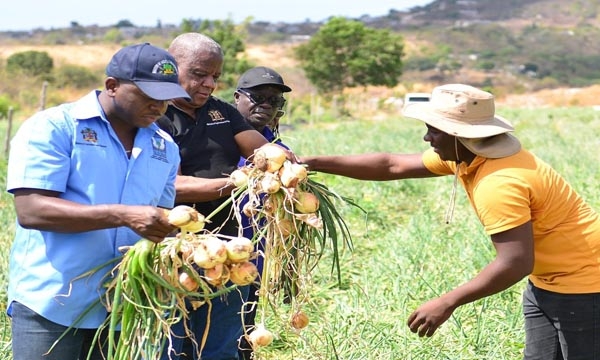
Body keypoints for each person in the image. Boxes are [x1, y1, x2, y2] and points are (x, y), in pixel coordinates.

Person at [300, 83, 600, 359]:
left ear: (461, 135)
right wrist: (313, 163)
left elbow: (515, 262)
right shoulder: (469, 154)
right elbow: (392, 165)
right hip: (546, 281)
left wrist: (447, 302)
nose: (427, 137)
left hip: (584, 286)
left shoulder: (500, 182)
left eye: (435, 130)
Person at [6, 42, 188, 360]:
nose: (160, 106)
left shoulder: (165, 147)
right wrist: (121, 215)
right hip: (52, 303)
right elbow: (32, 210)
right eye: (149, 95)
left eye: (166, 97)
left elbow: (160, 215)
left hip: (126, 307)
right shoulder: (54, 127)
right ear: (112, 86)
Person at [157, 33, 277, 360]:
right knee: (170, 346)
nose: (209, 83)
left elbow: (259, 147)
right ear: (171, 68)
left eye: (216, 76)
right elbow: (168, 185)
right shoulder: (155, 115)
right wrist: (233, 184)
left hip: (228, 249)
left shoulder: (222, 112)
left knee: (220, 346)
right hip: (172, 250)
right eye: (199, 74)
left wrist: (286, 163)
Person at [232, 66, 292, 360]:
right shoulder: (217, 141)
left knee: (245, 331)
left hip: (256, 258)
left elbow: (289, 215)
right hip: (217, 252)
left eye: (275, 100)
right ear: (237, 98)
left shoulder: (280, 151)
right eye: (258, 97)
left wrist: (288, 268)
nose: (266, 105)